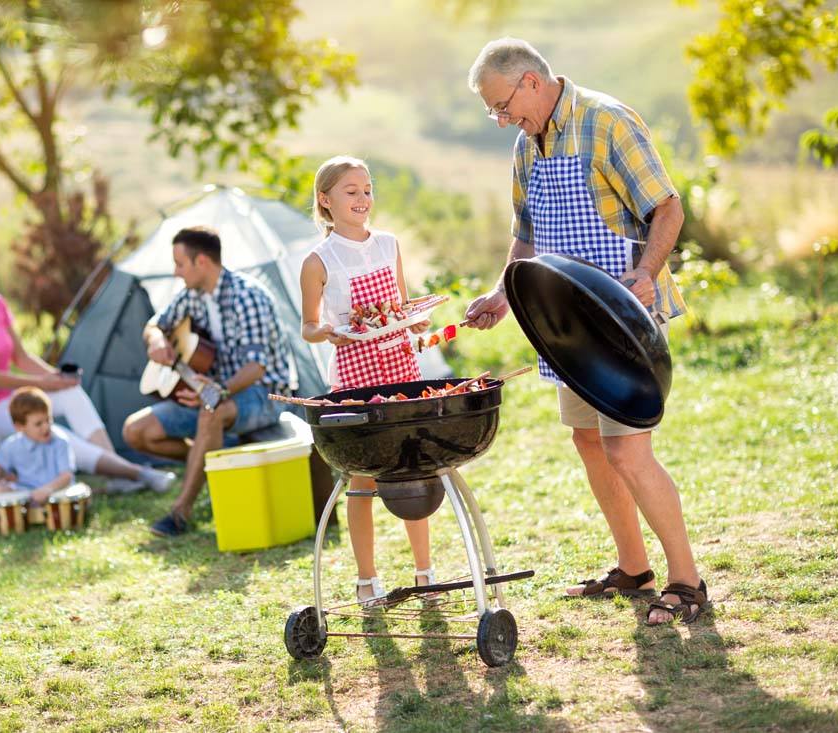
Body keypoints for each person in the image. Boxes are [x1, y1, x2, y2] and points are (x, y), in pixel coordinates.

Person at [463, 38, 707, 625]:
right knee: (589, 442)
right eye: (492, 111)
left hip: (621, 323)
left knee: (626, 447)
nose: (501, 120)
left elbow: (667, 207)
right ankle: (634, 569)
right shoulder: (527, 142)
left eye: (502, 105)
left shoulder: (606, 121)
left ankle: (687, 581)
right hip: (566, 327)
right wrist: (503, 291)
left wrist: (646, 274)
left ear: (529, 81)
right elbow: (525, 231)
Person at [299, 156, 437, 606]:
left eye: (367, 189)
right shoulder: (318, 260)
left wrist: (412, 321)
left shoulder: (388, 244)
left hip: (399, 365)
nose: (363, 199)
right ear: (326, 200)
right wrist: (327, 333)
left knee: (412, 469)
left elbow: (398, 305)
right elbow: (309, 326)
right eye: (351, 191)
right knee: (362, 480)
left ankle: (425, 573)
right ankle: (366, 580)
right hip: (353, 374)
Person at [0, 240, 174, 494]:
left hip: (13, 398)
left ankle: (116, 470)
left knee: (70, 393)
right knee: (57, 434)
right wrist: (41, 384)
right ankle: (136, 472)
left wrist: (56, 377)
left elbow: (21, 357)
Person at [123, 226, 292, 538]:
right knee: (136, 431)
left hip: (263, 394)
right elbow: (154, 324)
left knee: (211, 412)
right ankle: (215, 453)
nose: (176, 273)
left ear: (201, 262)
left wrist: (218, 390)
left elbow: (256, 368)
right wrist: (156, 340)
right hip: (213, 396)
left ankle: (181, 511)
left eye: (180, 264)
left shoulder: (248, 296)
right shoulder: (192, 295)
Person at [0, 387, 75, 506]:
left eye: (48, 419)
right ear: (19, 427)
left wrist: (47, 489)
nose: (46, 427)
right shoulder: (12, 445)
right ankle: (15, 519)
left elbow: (67, 476)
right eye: (38, 424)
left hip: (55, 491)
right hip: (27, 492)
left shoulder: (60, 441)